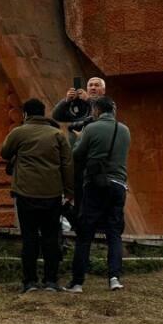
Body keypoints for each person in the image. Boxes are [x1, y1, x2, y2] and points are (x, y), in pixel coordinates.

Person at [0, 98, 74, 292]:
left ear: (25, 114)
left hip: (25, 193)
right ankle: (50, 281)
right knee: (51, 238)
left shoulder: (18, 133)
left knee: (29, 238)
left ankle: (30, 281)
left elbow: (4, 152)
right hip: (52, 194)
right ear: (43, 113)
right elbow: (67, 164)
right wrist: (69, 192)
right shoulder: (57, 135)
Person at [68, 96, 131, 293]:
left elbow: (76, 155)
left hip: (95, 184)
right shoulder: (125, 130)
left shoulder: (91, 129)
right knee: (114, 233)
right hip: (119, 184)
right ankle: (114, 278)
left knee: (85, 233)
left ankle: (78, 282)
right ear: (113, 110)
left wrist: (79, 140)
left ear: (96, 111)